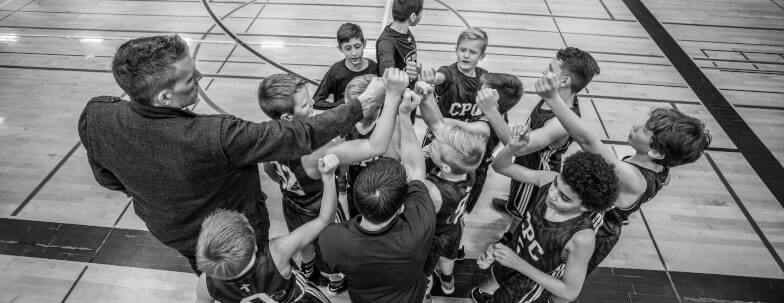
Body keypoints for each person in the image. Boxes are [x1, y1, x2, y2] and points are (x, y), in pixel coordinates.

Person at [78, 34, 383, 274]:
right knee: (253, 279)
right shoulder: (214, 136)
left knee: (215, 278)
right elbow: (296, 135)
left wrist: (155, 189)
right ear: (164, 96)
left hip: (174, 233)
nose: (200, 74)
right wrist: (360, 106)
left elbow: (107, 179)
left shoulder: (97, 115)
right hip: (239, 235)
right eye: (189, 77)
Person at [534, 69, 711, 278]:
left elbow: (587, 141)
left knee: (555, 279)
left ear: (655, 151)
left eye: (644, 131)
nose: (636, 127)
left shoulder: (634, 180)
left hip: (595, 233)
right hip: (591, 226)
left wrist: (553, 99)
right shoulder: (663, 171)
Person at [258, 70, 408, 293]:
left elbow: (269, 170)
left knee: (304, 244)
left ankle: (307, 269)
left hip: (292, 204)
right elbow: (374, 147)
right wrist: (393, 100)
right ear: (288, 117)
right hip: (319, 207)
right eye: (305, 105)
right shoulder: (315, 153)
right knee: (330, 251)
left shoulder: (265, 135)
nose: (312, 106)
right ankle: (335, 280)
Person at [318, 91, 440, 303]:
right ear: (401, 208)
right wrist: (403, 115)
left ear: (357, 201)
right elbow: (415, 169)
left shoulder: (333, 240)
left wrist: (328, 179)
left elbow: (327, 255)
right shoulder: (420, 227)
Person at [473, 136, 619, 303]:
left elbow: (569, 293)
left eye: (564, 198)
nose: (552, 194)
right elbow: (501, 167)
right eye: (557, 184)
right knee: (499, 287)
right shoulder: (549, 179)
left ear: (586, 207)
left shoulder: (582, 238)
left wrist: (517, 263)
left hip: (529, 284)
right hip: (513, 257)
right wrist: (511, 147)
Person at [193, 154, 339, 303]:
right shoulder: (277, 253)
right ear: (254, 245)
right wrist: (329, 177)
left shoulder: (206, 283)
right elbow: (324, 219)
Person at [492, 47, 600, 229]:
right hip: (525, 165)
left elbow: (517, 147)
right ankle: (514, 205)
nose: (543, 71)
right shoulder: (554, 96)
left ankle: (510, 235)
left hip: (537, 175)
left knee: (523, 213)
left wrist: (491, 111)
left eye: (550, 69)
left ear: (564, 81)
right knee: (517, 200)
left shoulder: (560, 122)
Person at [418, 74, 523, 216]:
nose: (479, 90)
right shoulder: (499, 115)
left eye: (484, 90)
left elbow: (439, 124)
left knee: (445, 208)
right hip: (472, 164)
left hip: (467, 168)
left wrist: (427, 97)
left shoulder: (483, 128)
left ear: (494, 102)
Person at [419, 27, 489, 121]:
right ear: (456, 50)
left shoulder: (484, 77)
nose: (466, 55)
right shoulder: (448, 72)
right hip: (442, 131)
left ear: (482, 56)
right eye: (462, 50)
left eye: (472, 52)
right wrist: (433, 78)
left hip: (465, 131)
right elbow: (441, 77)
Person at [313, 23, 378, 110]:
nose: (354, 53)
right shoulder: (336, 71)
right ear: (340, 48)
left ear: (364, 43)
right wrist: (339, 105)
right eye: (348, 48)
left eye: (357, 47)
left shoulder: (375, 69)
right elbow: (316, 101)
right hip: (344, 122)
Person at [377, 0, 424, 121]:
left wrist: (416, 70)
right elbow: (387, 74)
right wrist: (404, 74)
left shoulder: (406, 33)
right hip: (395, 108)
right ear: (413, 16)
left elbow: (406, 61)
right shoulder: (386, 43)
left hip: (408, 100)